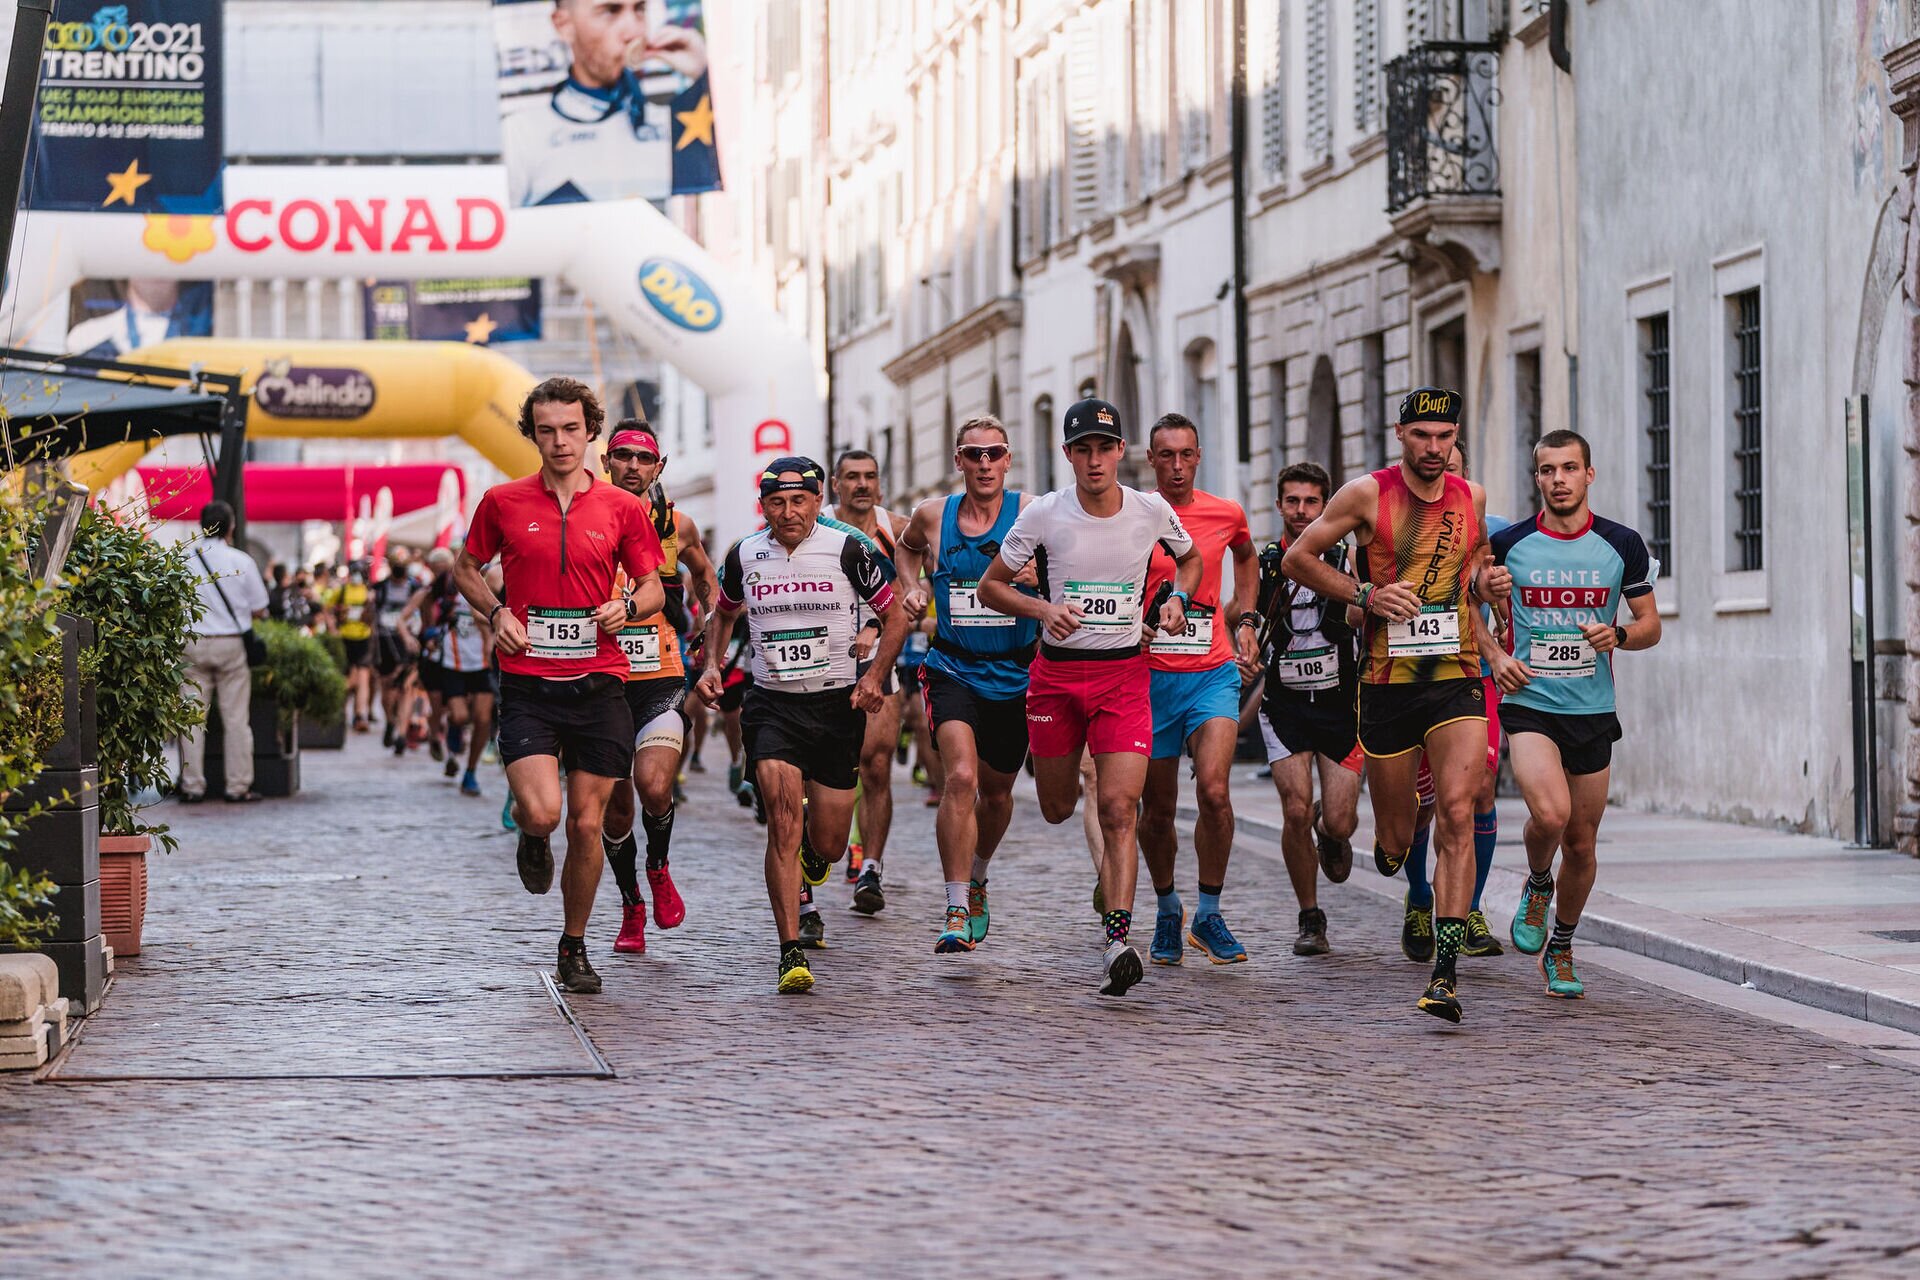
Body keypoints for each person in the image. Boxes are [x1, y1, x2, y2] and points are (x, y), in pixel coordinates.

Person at [1281, 387, 1510, 1023]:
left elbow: (1476, 568)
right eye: (1422, 436)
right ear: (1400, 435)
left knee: (1459, 812)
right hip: (1387, 683)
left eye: (1445, 437)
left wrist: (1488, 583)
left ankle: (1445, 971)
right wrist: (1366, 593)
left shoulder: (1474, 497)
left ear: (1455, 437)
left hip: (1457, 674)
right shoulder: (1365, 494)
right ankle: (1391, 845)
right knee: (1396, 834)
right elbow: (1299, 558)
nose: (1434, 449)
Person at [977, 397, 1201, 998]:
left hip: (1124, 677)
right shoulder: (1045, 515)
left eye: (1105, 448)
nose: (1095, 460)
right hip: (1055, 679)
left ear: (1121, 451)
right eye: (1083, 449)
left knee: (1119, 809)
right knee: (1055, 806)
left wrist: (1178, 598)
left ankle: (1118, 939)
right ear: (1068, 454)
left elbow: (1192, 559)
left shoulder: (1150, 510)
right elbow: (991, 586)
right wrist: (1043, 608)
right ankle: (1103, 910)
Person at [454, 377, 665, 996]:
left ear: (590, 432)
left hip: (601, 684)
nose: (560, 441)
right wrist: (497, 614)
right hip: (529, 685)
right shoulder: (502, 501)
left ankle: (574, 944)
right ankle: (529, 831)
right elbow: (466, 568)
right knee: (545, 812)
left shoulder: (623, 509)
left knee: (586, 823)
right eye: (546, 430)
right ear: (532, 434)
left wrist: (628, 604)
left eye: (571, 429)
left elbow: (654, 586)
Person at [696, 458, 904, 995]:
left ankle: (819, 852)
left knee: (831, 846)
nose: (788, 512)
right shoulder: (745, 553)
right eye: (776, 502)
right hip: (773, 707)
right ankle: (790, 949)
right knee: (783, 820)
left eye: (799, 501)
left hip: (837, 707)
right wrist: (714, 666)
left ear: (817, 502)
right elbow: (722, 612)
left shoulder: (848, 548)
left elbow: (898, 613)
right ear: (762, 505)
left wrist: (876, 675)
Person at [1487, 429, 1661, 1000]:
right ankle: (1538, 882)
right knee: (1552, 813)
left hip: (1593, 707)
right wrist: (1495, 654)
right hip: (1530, 702)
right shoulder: (1509, 544)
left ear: (1589, 475)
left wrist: (1619, 634)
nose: (1557, 480)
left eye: (1568, 469)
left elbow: (1650, 626)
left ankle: (1561, 945)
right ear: (1535, 477)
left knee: (1582, 843)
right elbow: (1470, 604)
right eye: (1546, 470)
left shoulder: (1622, 544)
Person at [894, 416, 1038, 955]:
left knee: (997, 794)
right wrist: (911, 587)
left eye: (994, 453)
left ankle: (977, 875)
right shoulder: (934, 516)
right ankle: (954, 905)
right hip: (953, 667)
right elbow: (906, 548)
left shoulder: (1032, 512)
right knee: (959, 777)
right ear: (959, 460)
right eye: (973, 454)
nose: (983, 463)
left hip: (1018, 673)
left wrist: (1040, 579)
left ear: (1007, 459)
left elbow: (1068, 564)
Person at [1135, 414, 1259, 967]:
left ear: (1199, 455)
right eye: (1167, 455)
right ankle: (1167, 907)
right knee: (1158, 809)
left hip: (1211, 669)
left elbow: (1248, 557)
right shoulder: (1132, 513)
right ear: (1151, 458)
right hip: (1147, 677)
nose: (1177, 466)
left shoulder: (1225, 513)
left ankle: (1208, 913)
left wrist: (1247, 616)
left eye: (1186, 454)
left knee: (1213, 790)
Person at [598, 421, 719, 954]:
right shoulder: (580, 521)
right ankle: (631, 906)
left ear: (659, 467)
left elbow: (712, 585)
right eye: (622, 456)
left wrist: (709, 648)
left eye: (643, 459)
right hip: (599, 685)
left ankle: (659, 867)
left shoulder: (678, 525)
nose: (632, 467)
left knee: (654, 787)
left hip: (661, 677)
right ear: (606, 462)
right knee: (617, 810)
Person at [1399, 440, 1509, 963]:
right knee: (1422, 805)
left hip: (1473, 675)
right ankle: (1422, 895)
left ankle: (1466, 908)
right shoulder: (1395, 525)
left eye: (1456, 469)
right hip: (1410, 680)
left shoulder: (1495, 528)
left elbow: (1510, 591)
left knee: (1475, 796)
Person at [1253, 462, 1362, 956]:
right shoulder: (1266, 562)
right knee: (1293, 809)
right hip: (1285, 705)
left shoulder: (1346, 558)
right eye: (1292, 502)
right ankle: (1310, 918)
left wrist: (1358, 592)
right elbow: (1246, 614)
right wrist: (1244, 640)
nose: (1301, 511)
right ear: (1279, 506)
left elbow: (1365, 614)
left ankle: (1330, 829)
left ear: (1326, 507)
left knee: (1340, 823)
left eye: (1311, 502)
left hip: (1342, 705)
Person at [501, 0, 713, 207]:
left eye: (640, 9)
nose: (633, 31)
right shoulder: (520, 135)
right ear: (563, 25)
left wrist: (704, 76)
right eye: (610, 11)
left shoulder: (676, 125)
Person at [822, 449, 910, 917]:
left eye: (869, 476)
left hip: (879, 655)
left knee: (877, 764)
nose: (861, 484)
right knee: (827, 769)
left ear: (879, 482)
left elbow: (918, 582)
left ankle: (872, 867)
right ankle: (819, 851)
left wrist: (912, 598)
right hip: (821, 659)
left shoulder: (895, 527)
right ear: (835, 483)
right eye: (851, 477)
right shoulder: (815, 526)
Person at [176, 501, 269, 804]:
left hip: (191, 643)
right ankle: (237, 785)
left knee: (191, 720)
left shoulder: (183, 558)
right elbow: (260, 608)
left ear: (201, 526)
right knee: (236, 719)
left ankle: (192, 787)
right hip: (231, 644)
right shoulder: (241, 560)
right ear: (231, 527)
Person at [404, 547, 497, 795]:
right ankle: (453, 730)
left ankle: (470, 771)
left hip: (482, 663)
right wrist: (425, 637)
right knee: (458, 716)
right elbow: (428, 619)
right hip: (454, 662)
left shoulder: (490, 593)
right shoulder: (445, 594)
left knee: (483, 719)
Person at [371, 549, 420, 753]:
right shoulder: (380, 588)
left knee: (406, 689)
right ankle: (391, 721)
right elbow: (370, 617)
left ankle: (401, 733)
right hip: (385, 643)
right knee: (387, 690)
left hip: (408, 642)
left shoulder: (415, 588)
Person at [324, 562, 375, 731]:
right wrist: (332, 627)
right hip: (345, 639)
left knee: (363, 676)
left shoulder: (368, 592)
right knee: (349, 678)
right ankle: (341, 710)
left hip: (363, 638)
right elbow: (327, 608)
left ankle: (360, 714)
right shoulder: (342, 591)